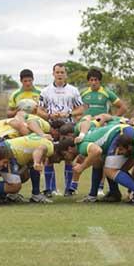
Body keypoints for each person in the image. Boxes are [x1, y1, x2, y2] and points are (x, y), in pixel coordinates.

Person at [38, 63, 84, 197]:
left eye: (62, 72)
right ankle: (49, 189)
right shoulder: (45, 91)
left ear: (66, 74)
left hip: (68, 128)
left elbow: (81, 109)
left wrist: (69, 114)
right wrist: (48, 116)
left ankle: (69, 189)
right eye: (57, 72)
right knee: (49, 156)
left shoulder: (73, 90)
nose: (60, 75)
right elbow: (39, 110)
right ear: (53, 74)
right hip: (52, 128)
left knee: (69, 156)